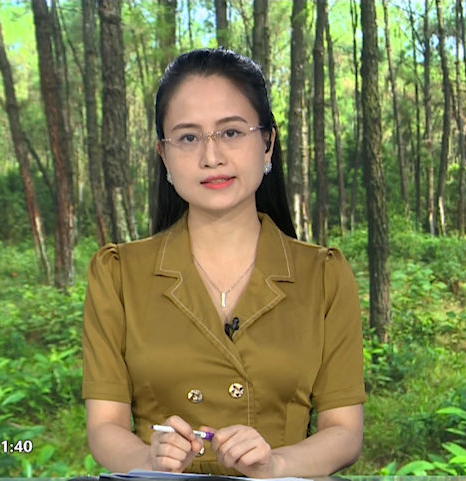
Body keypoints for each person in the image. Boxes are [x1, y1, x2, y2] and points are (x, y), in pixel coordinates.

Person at [82, 48, 365, 477]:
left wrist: (276, 464)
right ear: (164, 155)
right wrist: (149, 460)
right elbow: (105, 426)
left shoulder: (323, 275)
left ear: (267, 143)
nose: (211, 157)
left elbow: (344, 432)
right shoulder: (118, 274)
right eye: (188, 138)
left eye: (231, 132)